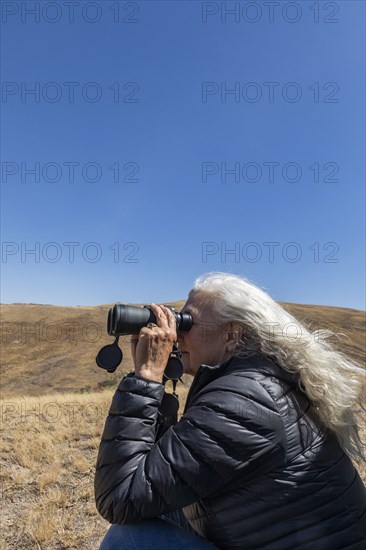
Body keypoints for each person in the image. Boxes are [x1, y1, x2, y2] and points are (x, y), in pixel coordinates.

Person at [94, 272, 366, 549]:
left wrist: (146, 379)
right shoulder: (257, 380)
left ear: (232, 335)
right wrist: (156, 378)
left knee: (130, 540)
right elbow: (161, 469)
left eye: (186, 323)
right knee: (158, 507)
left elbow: (119, 495)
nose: (176, 335)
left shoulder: (246, 401)